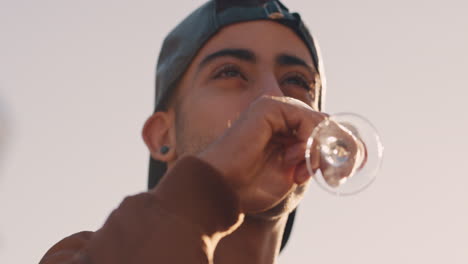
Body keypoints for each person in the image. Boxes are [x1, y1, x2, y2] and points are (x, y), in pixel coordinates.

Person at [39, 0, 361, 263]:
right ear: (162, 137)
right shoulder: (84, 255)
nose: (272, 98)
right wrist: (212, 182)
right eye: (230, 71)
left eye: (298, 81)